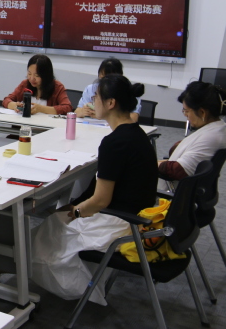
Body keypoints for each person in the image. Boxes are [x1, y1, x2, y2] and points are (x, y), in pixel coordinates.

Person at [31, 75, 157, 305]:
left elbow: (100, 201)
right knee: (58, 218)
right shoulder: (137, 134)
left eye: (96, 97)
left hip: (118, 222)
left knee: (52, 225)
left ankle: (72, 288)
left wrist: (75, 212)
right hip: (136, 215)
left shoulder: (114, 143)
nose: (92, 102)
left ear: (111, 103)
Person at [158, 81, 226, 182]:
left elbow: (179, 170)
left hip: (181, 188)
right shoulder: (218, 128)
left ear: (202, 112)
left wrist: (150, 164)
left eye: (186, 111)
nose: (185, 115)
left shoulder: (212, 136)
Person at [75, 57, 141, 123]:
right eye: (101, 77)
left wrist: (103, 116)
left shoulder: (128, 90)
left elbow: (133, 119)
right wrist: (83, 111)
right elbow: (76, 112)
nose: (104, 82)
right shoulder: (91, 89)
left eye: (108, 78)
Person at [2, 54, 72, 115]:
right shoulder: (25, 84)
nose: (32, 78)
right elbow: (6, 100)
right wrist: (14, 105)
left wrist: (41, 109)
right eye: (29, 74)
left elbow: (67, 108)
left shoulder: (57, 87)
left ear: (46, 75)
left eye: (37, 75)